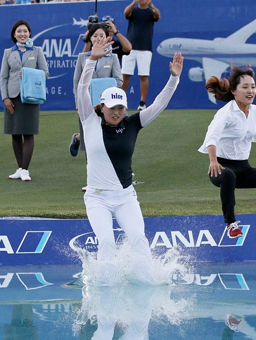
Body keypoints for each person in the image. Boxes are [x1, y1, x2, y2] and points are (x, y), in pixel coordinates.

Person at [78, 35, 183, 275]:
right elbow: (82, 89)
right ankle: (104, 285)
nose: (116, 112)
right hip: (97, 198)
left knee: (138, 238)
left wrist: (173, 78)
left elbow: (158, 105)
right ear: (101, 107)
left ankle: (145, 282)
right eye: (111, 108)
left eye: (120, 108)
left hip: (125, 196)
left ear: (125, 108)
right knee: (105, 241)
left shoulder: (133, 123)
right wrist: (92, 60)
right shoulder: (89, 120)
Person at [199, 66, 256, 239]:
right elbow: (211, 137)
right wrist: (212, 161)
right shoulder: (225, 113)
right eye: (245, 87)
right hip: (221, 168)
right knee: (229, 176)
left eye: (253, 87)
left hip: (244, 168)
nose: (250, 91)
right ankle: (231, 224)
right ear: (234, 91)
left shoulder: (255, 112)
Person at [0, 20, 49, 182]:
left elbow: (45, 73)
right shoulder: (8, 52)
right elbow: (3, 77)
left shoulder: (37, 50)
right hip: (12, 96)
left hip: (31, 96)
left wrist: (28, 73)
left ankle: (25, 169)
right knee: (15, 133)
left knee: (28, 132)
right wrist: (5, 97)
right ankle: (20, 168)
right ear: (14, 34)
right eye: (19, 31)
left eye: (25, 31)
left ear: (29, 33)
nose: (22, 34)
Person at [69, 23, 123, 157]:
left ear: (106, 38)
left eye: (101, 35)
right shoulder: (82, 57)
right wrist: (78, 105)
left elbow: (119, 80)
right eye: (95, 36)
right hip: (87, 104)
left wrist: (105, 88)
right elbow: (77, 82)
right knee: (90, 141)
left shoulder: (113, 57)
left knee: (107, 137)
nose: (98, 38)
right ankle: (79, 140)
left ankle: (78, 137)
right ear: (90, 38)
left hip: (107, 105)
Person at [121, 0, 160, 111]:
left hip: (145, 49)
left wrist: (151, 5)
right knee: (125, 75)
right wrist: (134, 2)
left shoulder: (150, 12)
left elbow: (158, 15)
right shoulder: (133, 10)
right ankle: (121, 100)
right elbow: (125, 13)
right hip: (129, 48)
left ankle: (142, 103)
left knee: (143, 75)